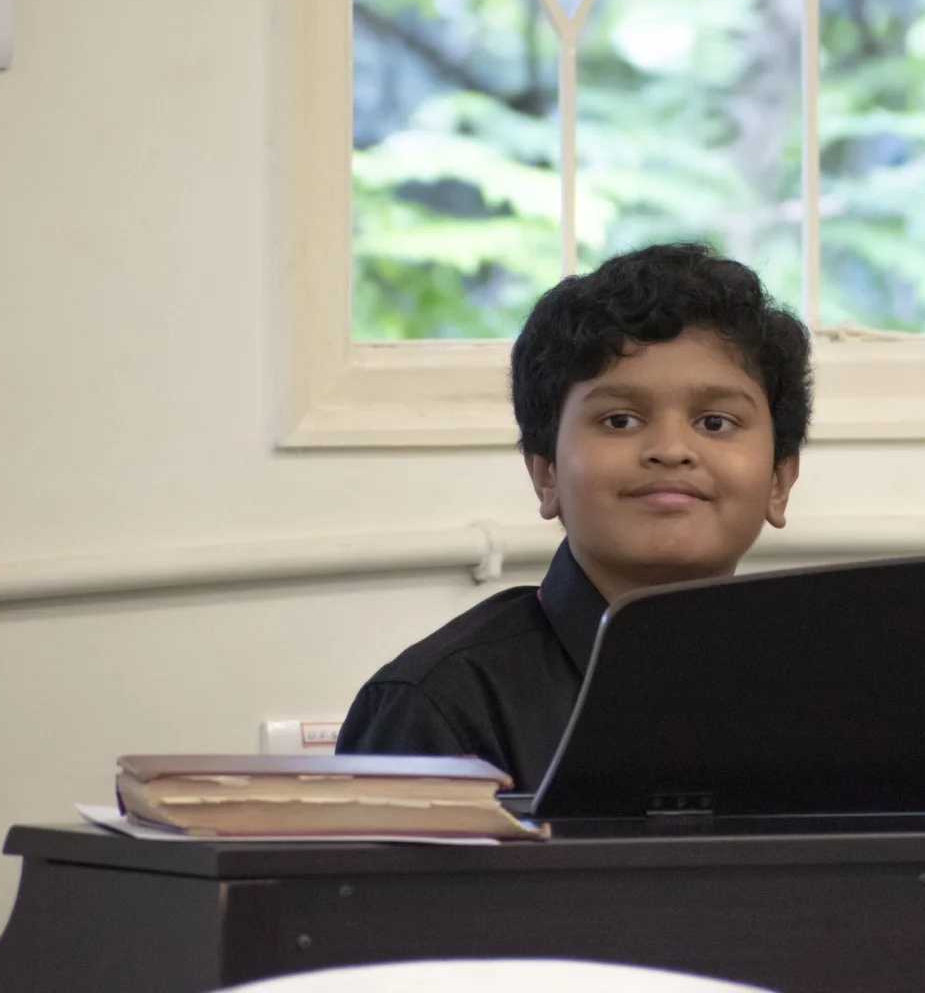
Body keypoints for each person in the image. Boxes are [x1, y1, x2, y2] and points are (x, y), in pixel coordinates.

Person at [336, 243, 813, 789]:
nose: (671, 449)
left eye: (715, 423)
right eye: (618, 420)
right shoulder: (438, 706)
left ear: (779, 479)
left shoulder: (828, 694)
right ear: (547, 475)